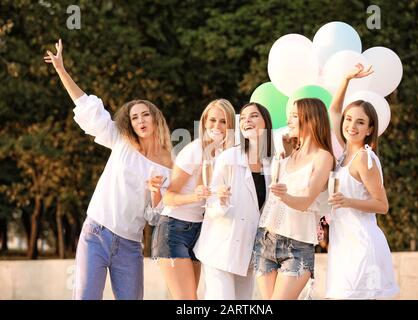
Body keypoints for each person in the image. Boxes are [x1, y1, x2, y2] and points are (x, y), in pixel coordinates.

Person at [44, 39, 173, 300]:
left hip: (130, 246)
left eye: (145, 114)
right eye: (134, 117)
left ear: (155, 117)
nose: (140, 120)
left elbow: (154, 218)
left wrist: (157, 193)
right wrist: (61, 70)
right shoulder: (121, 141)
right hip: (96, 234)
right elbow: (89, 110)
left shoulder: (170, 164)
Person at [326, 63, 399, 299]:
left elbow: (382, 205)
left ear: (369, 129)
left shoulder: (364, 158)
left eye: (360, 122)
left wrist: (348, 201)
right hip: (341, 245)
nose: (351, 126)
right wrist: (346, 78)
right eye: (349, 120)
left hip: (362, 246)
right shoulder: (344, 153)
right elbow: (334, 109)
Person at [151, 99, 236, 299]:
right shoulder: (194, 150)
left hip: (199, 232)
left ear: (231, 125)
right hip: (174, 230)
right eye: (212, 120)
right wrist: (194, 196)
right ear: (204, 122)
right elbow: (168, 198)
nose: (217, 126)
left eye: (223, 121)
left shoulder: (226, 155)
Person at [253, 98, 334, 300]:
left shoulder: (323, 157)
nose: (289, 120)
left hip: (297, 245)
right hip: (266, 239)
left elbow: (306, 201)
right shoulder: (287, 156)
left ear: (312, 119)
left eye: (295, 115)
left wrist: (284, 195)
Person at [194, 102, 274, 300]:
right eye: (244, 117)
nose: (247, 120)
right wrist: (219, 199)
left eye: (253, 116)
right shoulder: (229, 158)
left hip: (248, 252)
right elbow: (210, 204)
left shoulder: (272, 165)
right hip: (220, 247)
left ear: (266, 123)